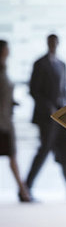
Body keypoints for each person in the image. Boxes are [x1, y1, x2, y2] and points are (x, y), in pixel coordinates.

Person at [25, 34, 66, 200]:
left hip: (62, 116)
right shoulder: (40, 64)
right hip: (46, 117)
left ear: (58, 43)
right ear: (47, 43)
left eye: (55, 42)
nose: (53, 44)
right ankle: (26, 188)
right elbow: (33, 90)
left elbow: (63, 91)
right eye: (50, 42)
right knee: (44, 151)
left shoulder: (62, 64)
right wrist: (48, 108)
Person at [0, 40, 32, 202]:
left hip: (6, 119)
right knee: (12, 157)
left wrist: (11, 102)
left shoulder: (4, 69)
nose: (9, 51)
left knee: (12, 157)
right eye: (7, 48)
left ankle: (23, 191)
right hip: (2, 123)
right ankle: (23, 192)